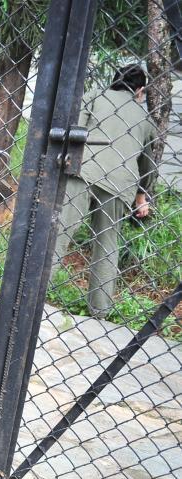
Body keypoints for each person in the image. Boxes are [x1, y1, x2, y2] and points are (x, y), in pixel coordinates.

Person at [53, 64, 158, 318]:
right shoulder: (146, 119)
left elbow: (76, 130)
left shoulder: (95, 96)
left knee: (60, 232)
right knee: (107, 244)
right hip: (121, 184)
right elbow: (148, 165)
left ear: (114, 81)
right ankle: (100, 311)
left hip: (84, 171)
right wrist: (142, 197)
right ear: (140, 90)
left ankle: (34, 289)